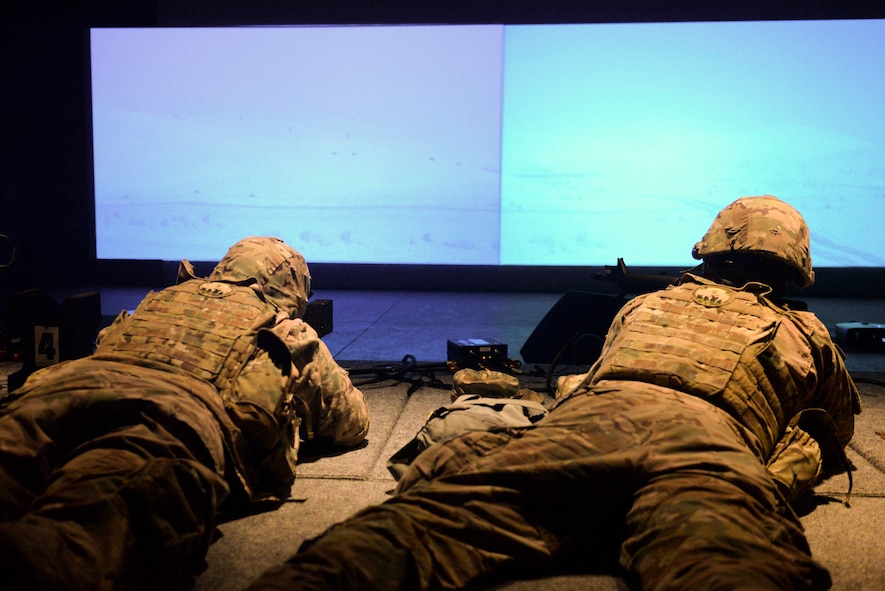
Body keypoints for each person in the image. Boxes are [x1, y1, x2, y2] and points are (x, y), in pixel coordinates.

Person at [246, 196, 861, 591]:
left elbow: (591, 378)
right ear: (795, 265)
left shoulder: (647, 306)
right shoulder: (804, 332)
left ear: (713, 246)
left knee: (411, 531)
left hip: (588, 425)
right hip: (705, 446)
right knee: (729, 566)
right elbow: (836, 425)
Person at [0, 236, 369, 591]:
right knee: (76, 537)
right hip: (168, 419)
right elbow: (350, 422)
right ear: (291, 288)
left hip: (61, 389)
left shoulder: (162, 300)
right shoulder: (285, 328)